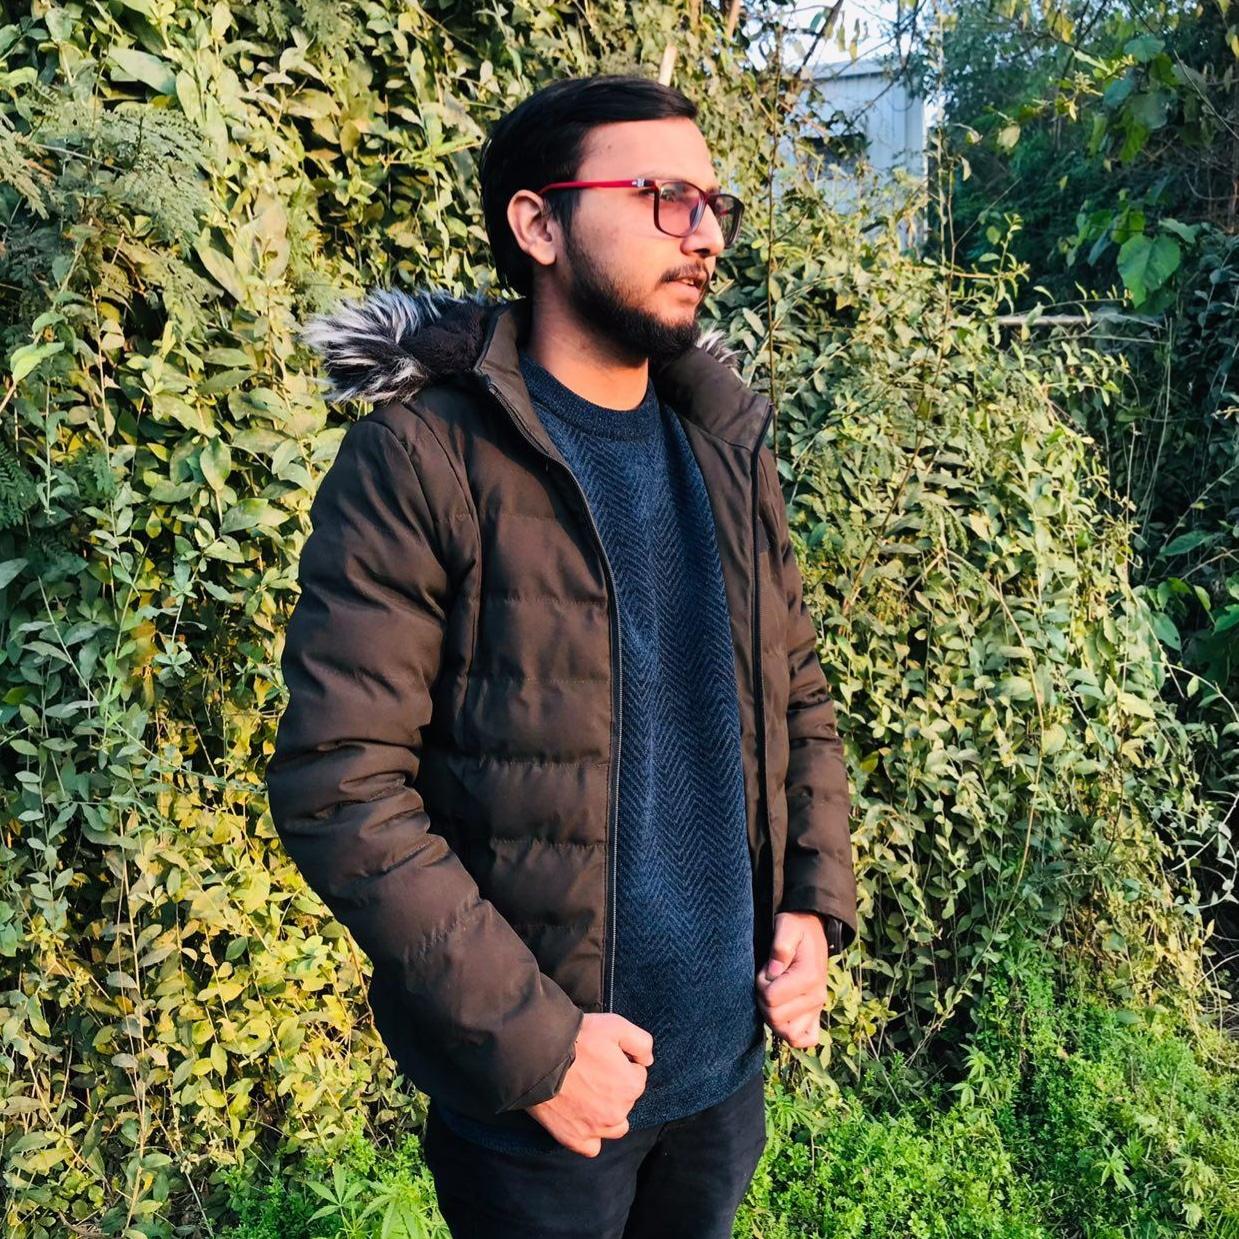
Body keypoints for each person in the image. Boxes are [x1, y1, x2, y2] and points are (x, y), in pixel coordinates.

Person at [265, 73, 859, 1239]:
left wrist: (810, 898)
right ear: (538, 225)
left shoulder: (725, 450)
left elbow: (796, 693)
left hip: (724, 1077)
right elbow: (342, 784)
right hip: (545, 1111)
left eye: (714, 204)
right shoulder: (424, 462)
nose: (704, 234)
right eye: (663, 197)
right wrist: (537, 1046)